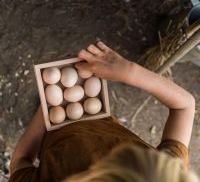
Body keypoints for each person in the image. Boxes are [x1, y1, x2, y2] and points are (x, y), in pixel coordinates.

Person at [9, 41, 199, 182]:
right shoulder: (163, 172)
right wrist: (130, 72)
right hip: (99, 121)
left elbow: (21, 160)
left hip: (54, 136)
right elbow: (184, 106)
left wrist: (52, 104)